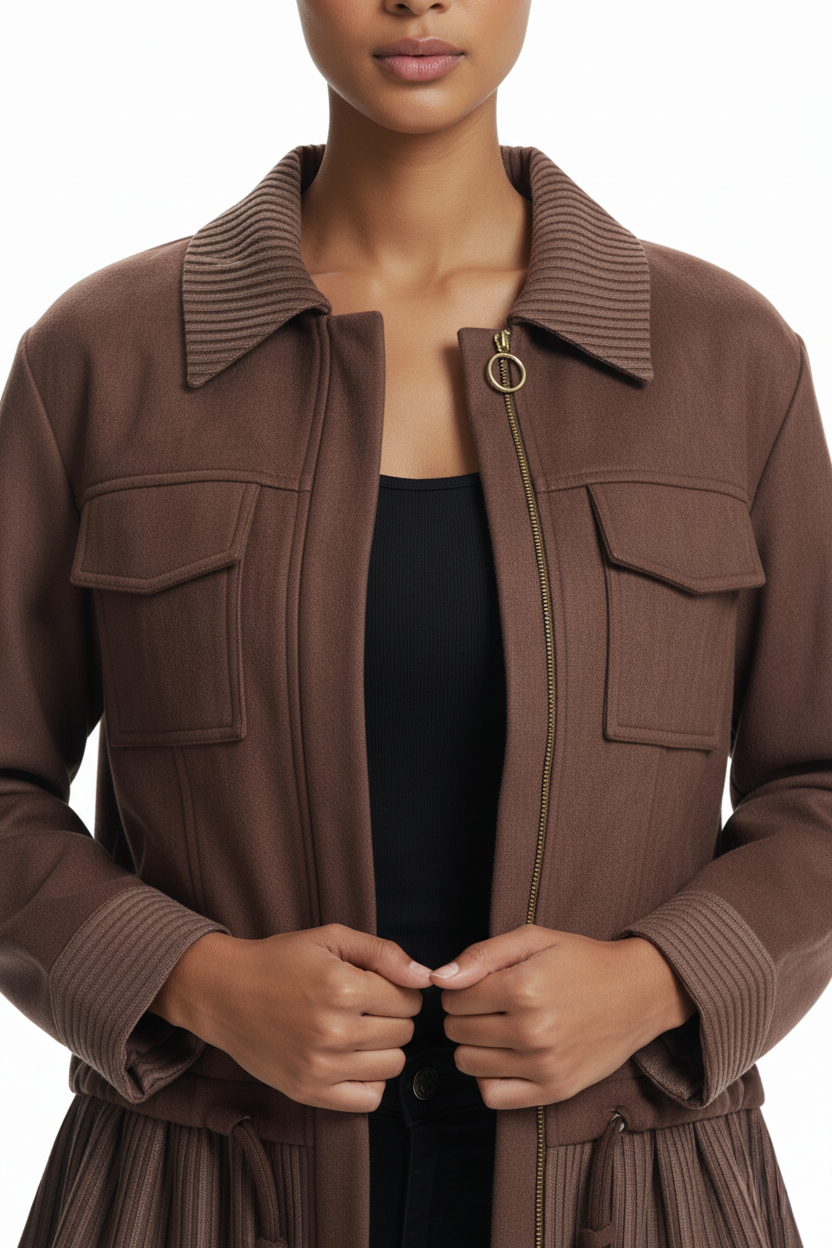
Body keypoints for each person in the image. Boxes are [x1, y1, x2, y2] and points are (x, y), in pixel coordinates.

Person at [0, 0, 829, 1245]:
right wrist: (191, 979)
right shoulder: (102, 360)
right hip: (192, 1194)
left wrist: (658, 981)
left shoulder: (726, 360)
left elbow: (816, 786)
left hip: (639, 1196)